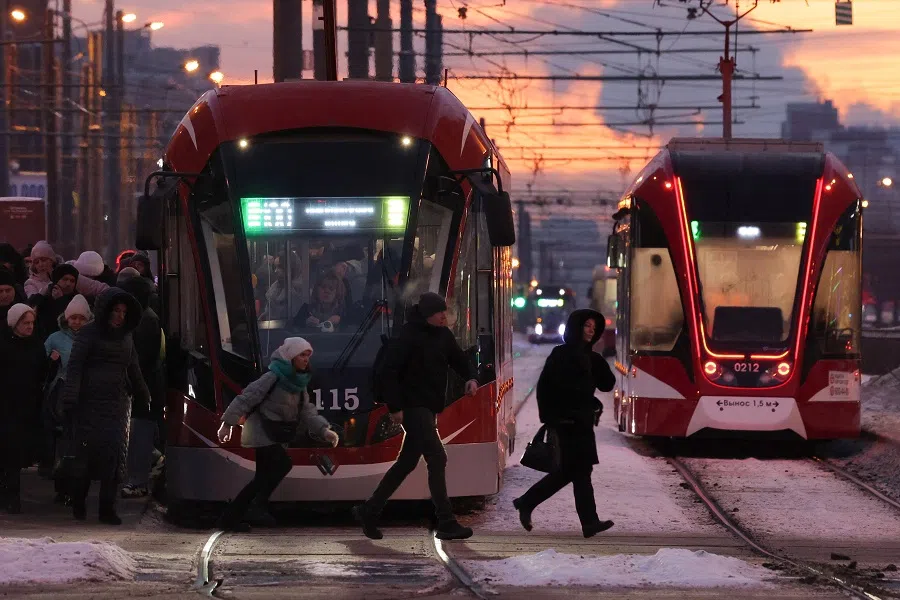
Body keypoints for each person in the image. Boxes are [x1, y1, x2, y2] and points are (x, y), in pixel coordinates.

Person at [352, 292, 478, 541]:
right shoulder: (408, 336)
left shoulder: (443, 335)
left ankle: (369, 510)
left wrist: (471, 378)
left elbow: (459, 359)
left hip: (428, 407)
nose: (444, 316)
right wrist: (395, 406)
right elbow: (389, 372)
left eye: (445, 311)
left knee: (407, 462)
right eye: (439, 312)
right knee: (437, 457)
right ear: (427, 315)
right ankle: (446, 521)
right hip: (412, 407)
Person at [216, 338, 339, 532]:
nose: (306, 359)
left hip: (274, 434)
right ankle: (254, 508)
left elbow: (307, 411)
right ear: (291, 356)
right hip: (260, 431)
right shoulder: (273, 376)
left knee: (262, 477)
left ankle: (232, 517)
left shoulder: (299, 381)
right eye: (302, 355)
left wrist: (324, 431)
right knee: (282, 465)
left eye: (308, 355)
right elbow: (247, 398)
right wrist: (227, 424)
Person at [512, 309, 616, 538]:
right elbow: (545, 388)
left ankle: (527, 502)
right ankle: (588, 522)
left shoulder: (592, 358)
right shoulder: (560, 355)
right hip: (566, 421)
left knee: (574, 471)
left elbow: (608, 384)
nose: (591, 330)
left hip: (583, 422)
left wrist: (598, 362)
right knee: (579, 470)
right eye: (586, 325)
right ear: (576, 327)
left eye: (593, 327)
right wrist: (550, 419)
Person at [61, 288, 151, 524]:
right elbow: (76, 366)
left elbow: (133, 365)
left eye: (123, 312)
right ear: (105, 311)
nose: (120, 316)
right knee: (86, 456)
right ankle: (79, 503)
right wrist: (71, 397)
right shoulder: (89, 333)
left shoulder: (126, 336)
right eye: (116, 311)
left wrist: (143, 392)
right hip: (89, 402)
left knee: (114, 458)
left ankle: (106, 508)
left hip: (118, 402)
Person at [118, 276, 164, 499]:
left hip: (143, 387)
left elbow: (141, 359)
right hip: (145, 386)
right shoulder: (146, 317)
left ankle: (138, 481)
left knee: (139, 436)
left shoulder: (144, 320)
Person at [0, 304, 47, 513]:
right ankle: (9, 496)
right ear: (14, 323)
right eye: (25, 323)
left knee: (15, 454)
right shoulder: (4, 345)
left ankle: (12, 496)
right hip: (5, 405)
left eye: (31, 323)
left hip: (26, 407)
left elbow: (41, 374)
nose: (29, 327)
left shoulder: (36, 346)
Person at [44, 294, 92, 500]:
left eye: (81, 318)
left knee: (79, 439)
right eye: (73, 318)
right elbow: (42, 365)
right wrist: (51, 360)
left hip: (86, 393)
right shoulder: (55, 338)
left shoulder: (91, 338)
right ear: (66, 318)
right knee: (64, 438)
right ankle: (61, 486)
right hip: (62, 393)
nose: (77, 322)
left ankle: (77, 486)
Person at [30, 263, 79, 339]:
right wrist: (41, 294)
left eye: (72, 281)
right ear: (56, 280)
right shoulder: (45, 296)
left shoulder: (77, 299)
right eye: (64, 279)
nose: (68, 283)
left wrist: (60, 300)